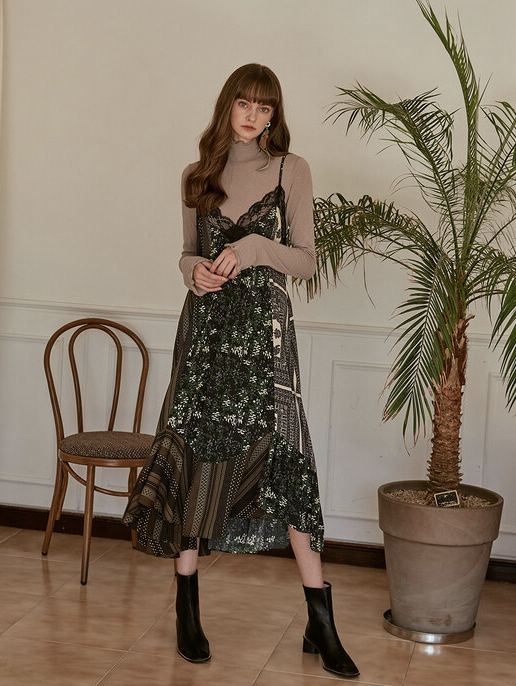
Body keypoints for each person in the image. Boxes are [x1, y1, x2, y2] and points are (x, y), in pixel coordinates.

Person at [123, 63, 359, 679]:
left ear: (275, 116)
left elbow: (305, 260)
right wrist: (193, 273)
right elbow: (187, 253)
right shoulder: (196, 175)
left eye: (266, 108)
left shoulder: (290, 170)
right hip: (205, 339)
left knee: (288, 460)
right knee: (197, 457)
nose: (254, 117)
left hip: (266, 343)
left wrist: (252, 249)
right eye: (246, 104)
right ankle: (187, 608)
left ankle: (320, 620)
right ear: (227, 105)